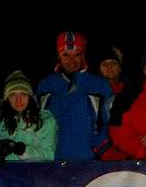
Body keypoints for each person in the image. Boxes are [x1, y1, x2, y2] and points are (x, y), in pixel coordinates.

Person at [37, 32, 113, 160]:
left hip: (88, 161)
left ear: (83, 55)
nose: (71, 61)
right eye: (66, 55)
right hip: (52, 161)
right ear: (58, 56)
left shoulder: (99, 85)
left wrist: (98, 149)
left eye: (77, 55)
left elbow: (110, 124)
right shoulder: (45, 86)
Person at [0, 71, 57, 163]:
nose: (18, 100)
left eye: (23, 94)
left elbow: (49, 154)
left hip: (33, 174)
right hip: (1, 176)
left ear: (30, 96)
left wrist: (23, 150)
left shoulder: (45, 121)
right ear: (7, 98)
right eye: (13, 95)